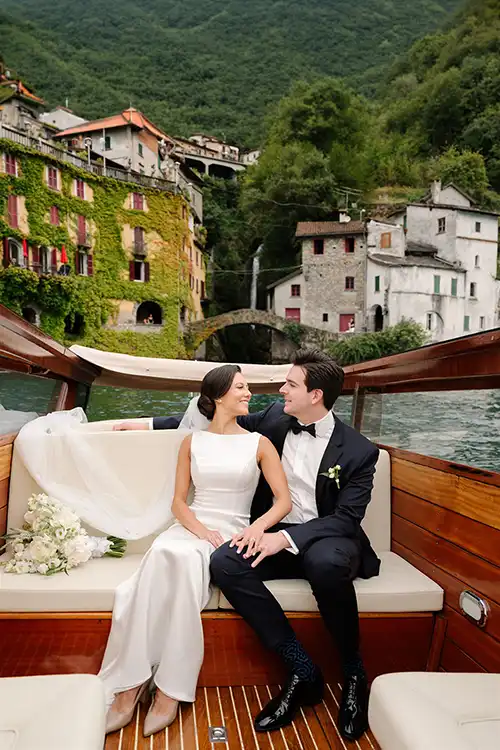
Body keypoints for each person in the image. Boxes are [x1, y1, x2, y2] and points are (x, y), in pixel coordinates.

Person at [115, 349, 380, 741]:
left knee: (326, 567)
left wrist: (283, 538)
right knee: (224, 562)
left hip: (326, 537)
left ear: (316, 395)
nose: (280, 389)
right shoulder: (275, 417)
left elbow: (344, 519)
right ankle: (300, 668)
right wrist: (144, 424)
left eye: (290, 384)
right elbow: (214, 421)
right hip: (270, 530)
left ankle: (354, 673)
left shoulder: (360, 451)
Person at [101, 364, 292, 737]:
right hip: (193, 525)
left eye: (247, 387)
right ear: (219, 396)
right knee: (163, 554)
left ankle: (169, 690)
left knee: (185, 561)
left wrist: (255, 528)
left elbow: (283, 501)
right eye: (240, 387)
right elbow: (178, 502)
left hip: (233, 530)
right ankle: (130, 685)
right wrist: (200, 530)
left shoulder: (259, 443)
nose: (248, 393)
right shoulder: (192, 441)